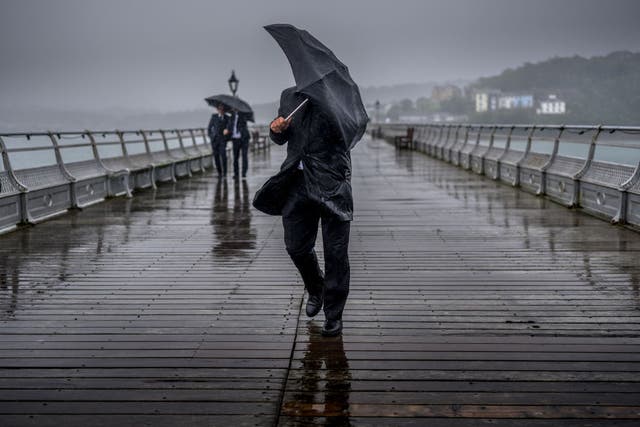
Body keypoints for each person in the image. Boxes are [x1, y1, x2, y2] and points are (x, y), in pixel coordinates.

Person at [253, 87, 353, 337]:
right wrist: (276, 129)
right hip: (297, 182)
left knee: (336, 253)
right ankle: (316, 286)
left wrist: (329, 108)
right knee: (295, 246)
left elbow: (349, 135)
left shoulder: (339, 97)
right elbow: (281, 138)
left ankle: (333, 315)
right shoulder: (289, 96)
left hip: (332, 183)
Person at [226, 108, 251, 179]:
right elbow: (229, 126)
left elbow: (244, 123)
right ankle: (236, 174)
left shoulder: (243, 115)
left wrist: (240, 115)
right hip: (235, 139)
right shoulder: (232, 116)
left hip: (244, 138)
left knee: (244, 156)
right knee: (235, 157)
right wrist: (227, 130)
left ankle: (244, 173)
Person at [207, 105, 229, 178]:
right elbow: (209, 128)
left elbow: (230, 128)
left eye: (222, 109)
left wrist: (227, 134)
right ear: (217, 109)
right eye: (219, 109)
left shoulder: (227, 118)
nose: (221, 110)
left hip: (223, 140)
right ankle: (219, 173)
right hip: (215, 140)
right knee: (216, 157)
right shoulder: (214, 117)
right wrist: (211, 137)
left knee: (223, 157)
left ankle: (225, 173)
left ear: (224, 110)